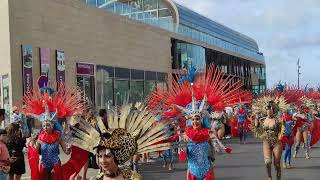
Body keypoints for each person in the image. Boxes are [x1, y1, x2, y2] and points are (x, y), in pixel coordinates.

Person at [252, 100, 285, 180]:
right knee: (267, 162)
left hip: (276, 142)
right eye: (267, 110)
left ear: (273, 110)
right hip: (266, 141)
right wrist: (256, 125)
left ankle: (278, 178)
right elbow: (258, 132)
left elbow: (282, 130)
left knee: (276, 164)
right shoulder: (262, 120)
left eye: (270, 110)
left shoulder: (278, 120)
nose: (269, 111)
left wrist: (281, 134)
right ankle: (269, 177)